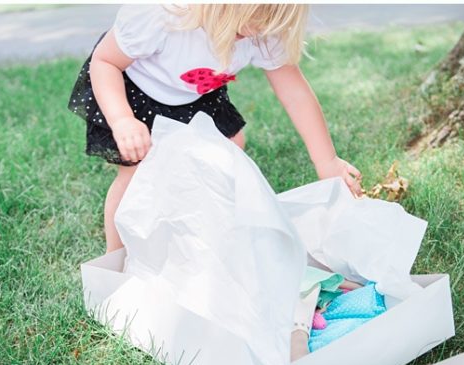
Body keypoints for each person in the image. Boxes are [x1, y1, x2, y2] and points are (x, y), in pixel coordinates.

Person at [68, 4, 363, 253]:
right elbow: (105, 62)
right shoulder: (161, 14)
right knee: (136, 169)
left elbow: (295, 94)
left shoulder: (262, 30)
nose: (254, 36)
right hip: (134, 92)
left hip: (196, 94)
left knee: (231, 145)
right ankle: (116, 257)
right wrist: (122, 120)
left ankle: (190, 224)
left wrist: (327, 161)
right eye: (242, 29)